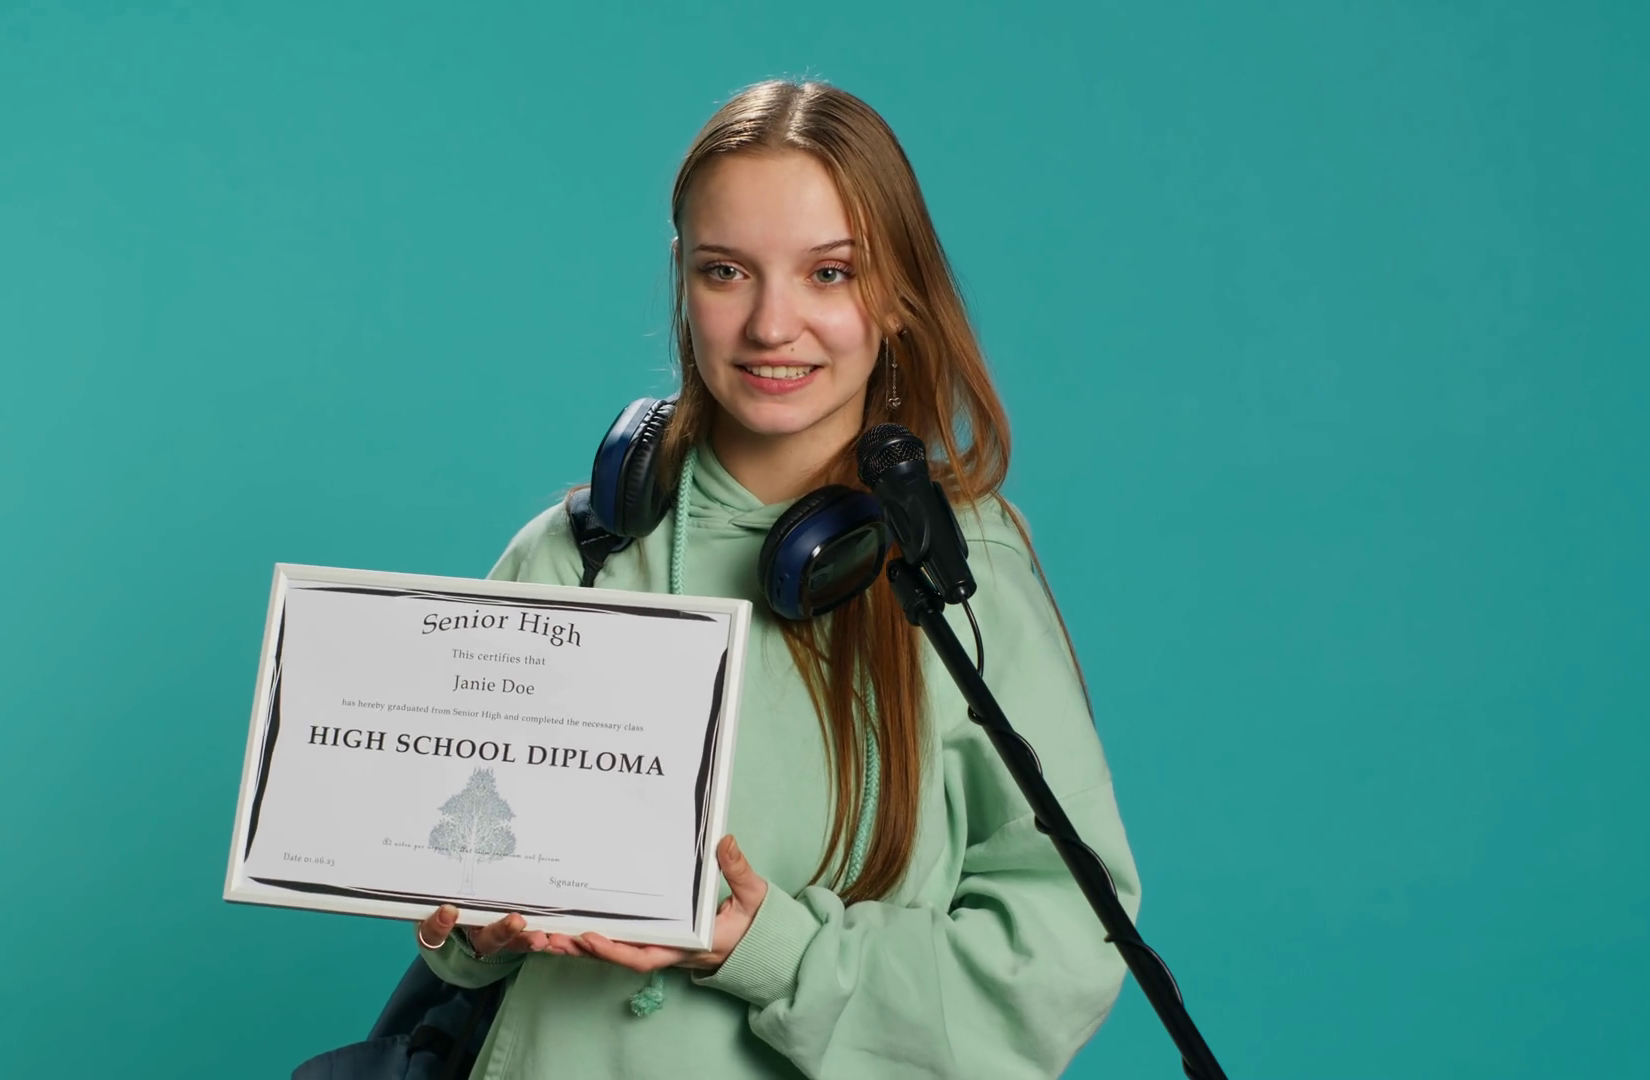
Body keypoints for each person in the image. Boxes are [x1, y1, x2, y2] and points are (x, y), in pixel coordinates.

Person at [412, 78, 1140, 1079]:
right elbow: (454, 903)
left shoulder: (958, 573)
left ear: (897, 295)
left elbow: (1062, 951)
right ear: (683, 281)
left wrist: (772, 951)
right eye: (726, 272)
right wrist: (466, 928)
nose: (771, 324)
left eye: (829, 273)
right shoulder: (570, 554)